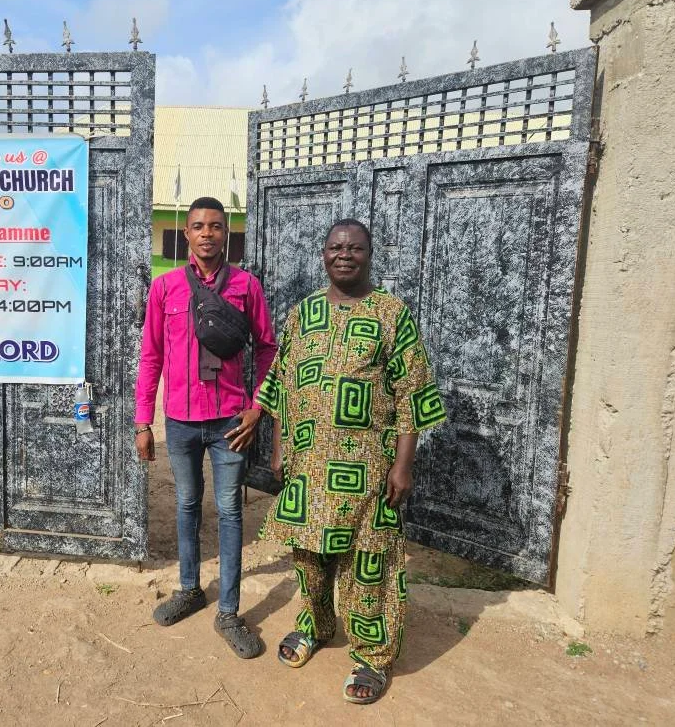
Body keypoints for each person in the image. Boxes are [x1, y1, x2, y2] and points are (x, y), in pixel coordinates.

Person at [255, 218, 446, 703]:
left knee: (368, 565)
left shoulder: (392, 315)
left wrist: (403, 466)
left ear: (369, 254)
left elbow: (412, 395)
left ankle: (372, 655)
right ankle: (315, 625)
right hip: (308, 465)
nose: (344, 254)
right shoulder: (304, 312)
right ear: (323, 253)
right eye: (336, 247)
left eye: (355, 248)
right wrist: (279, 449)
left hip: (368, 470)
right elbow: (283, 384)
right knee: (310, 558)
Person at [135, 196, 278, 659]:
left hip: (230, 422)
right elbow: (151, 356)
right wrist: (143, 420)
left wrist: (257, 408)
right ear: (187, 234)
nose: (207, 234)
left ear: (226, 234)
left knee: (231, 511)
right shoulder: (166, 288)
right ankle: (190, 588)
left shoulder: (245, 287)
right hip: (179, 419)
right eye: (198, 226)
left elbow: (268, 349)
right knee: (186, 504)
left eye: (216, 226)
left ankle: (230, 612)